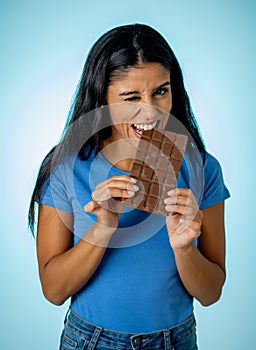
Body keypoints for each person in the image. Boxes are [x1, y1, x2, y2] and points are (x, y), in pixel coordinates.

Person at [29, 23, 230, 350]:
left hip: (175, 341)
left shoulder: (201, 169)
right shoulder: (65, 167)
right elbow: (53, 291)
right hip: (90, 341)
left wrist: (183, 248)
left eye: (160, 91)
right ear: (102, 97)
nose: (149, 110)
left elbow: (211, 293)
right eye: (130, 96)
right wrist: (104, 227)